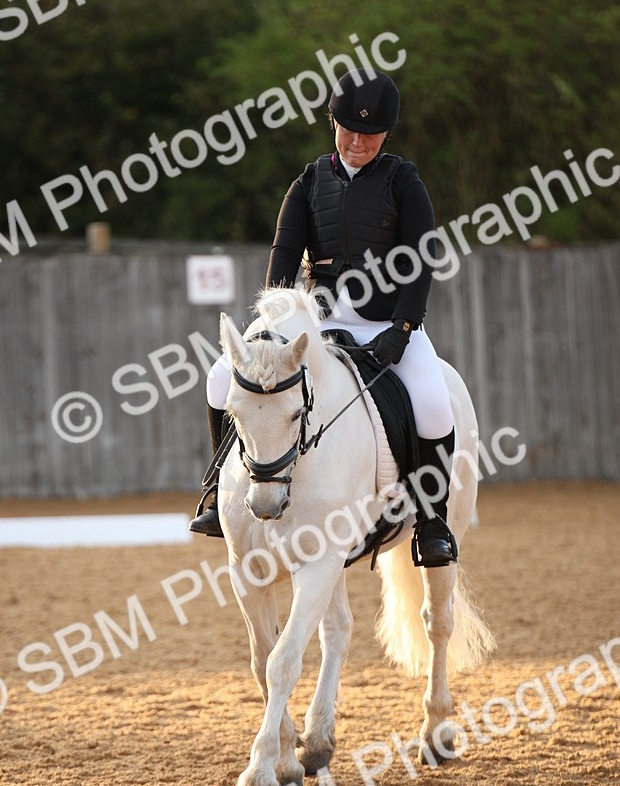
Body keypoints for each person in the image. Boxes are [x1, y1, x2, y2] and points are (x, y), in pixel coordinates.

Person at [189, 68, 458, 568]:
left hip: (386, 326)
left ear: (386, 134)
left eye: (371, 135)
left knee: (434, 402)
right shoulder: (309, 183)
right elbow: (284, 257)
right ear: (332, 123)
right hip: (321, 327)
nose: (358, 143)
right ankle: (217, 489)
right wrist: (273, 326)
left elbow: (422, 259)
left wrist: (402, 331)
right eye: (349, 131)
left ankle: (432, 522)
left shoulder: (404, 182)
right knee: (220, 375)